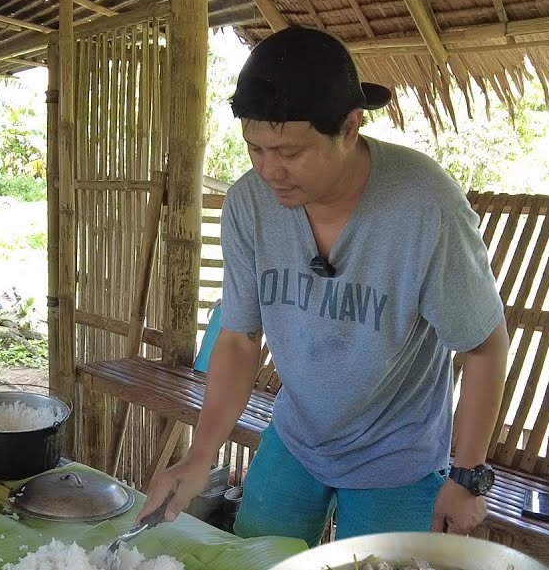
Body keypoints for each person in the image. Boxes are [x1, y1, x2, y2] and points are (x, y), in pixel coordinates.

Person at [137, 27, 509, 544]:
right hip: (298, 437)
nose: (270, 171)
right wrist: (201, 456)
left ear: (350, 127)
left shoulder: (426, 207)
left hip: (397, 456)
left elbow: (484, 346)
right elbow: (239, 339)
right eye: (255, 149)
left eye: (289, 152)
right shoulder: (249, 205)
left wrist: (467, 478)